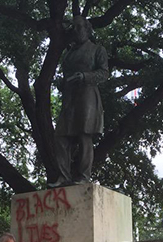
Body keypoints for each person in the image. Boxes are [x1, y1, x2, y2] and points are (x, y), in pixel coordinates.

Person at [48, 15, 109, 188]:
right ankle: (63, 176)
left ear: (87, 29)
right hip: (69, 97)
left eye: (79, 27)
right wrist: (62, 82)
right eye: (73, 28)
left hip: (87, 95)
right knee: (60, 136)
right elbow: (65, 75)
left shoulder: (97, 49)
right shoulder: (68, 54)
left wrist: (84, 76)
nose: (76, 31)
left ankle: (83, 176)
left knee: (84, 135)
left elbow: (104, 73)